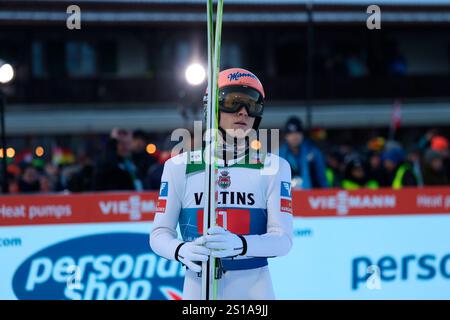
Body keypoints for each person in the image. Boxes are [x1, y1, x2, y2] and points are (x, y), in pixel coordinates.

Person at [150, 68, 293, 300]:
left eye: (252, 104)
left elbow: (283, 241)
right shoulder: (179, 166)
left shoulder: (274, 167)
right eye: (233, 102)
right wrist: (181, 250)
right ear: (212, 109)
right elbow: (159, 234)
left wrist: (241, 245)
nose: (243, 112)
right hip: (199, 286)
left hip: (254, 290)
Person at [279, 117, 328, 189]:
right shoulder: (280, 154)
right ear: (286, 136)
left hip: (310, 196)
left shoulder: (313, 152)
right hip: (288, 196)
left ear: (302, 134)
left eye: (297, 132)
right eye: (291, 133)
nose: (294, 136)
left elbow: (322, 179)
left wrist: (325, 195)